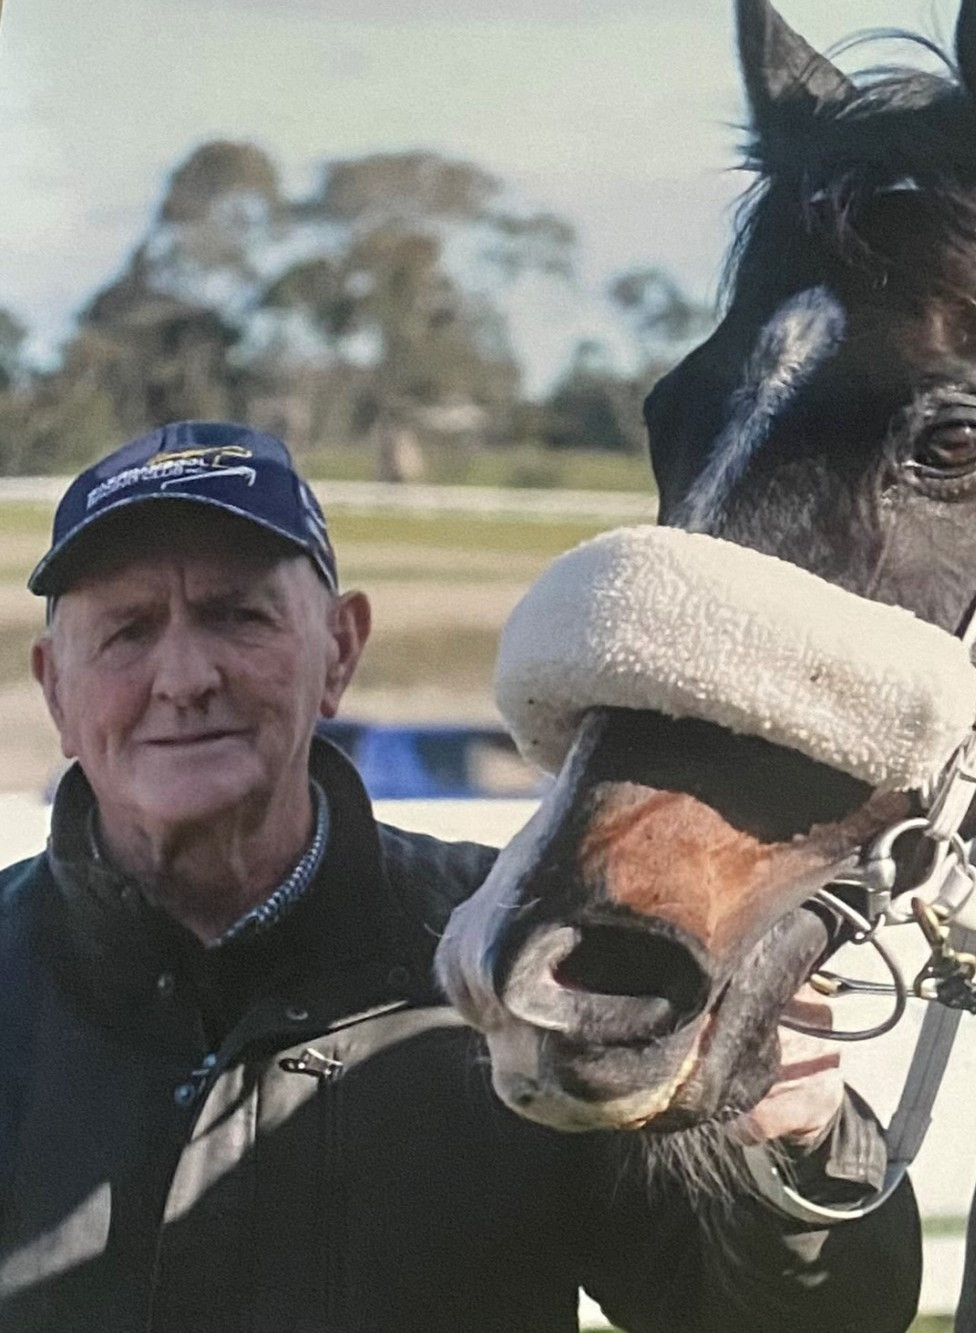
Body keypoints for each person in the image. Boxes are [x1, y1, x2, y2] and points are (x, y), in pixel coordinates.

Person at [0, 422, 920, 1331]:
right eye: (126, 631)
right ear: (54, 689)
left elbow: (793, 1319)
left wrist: (797, 1149)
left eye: (236, 615)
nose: (186, 676)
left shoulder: (535, 958)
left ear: (341, 649)